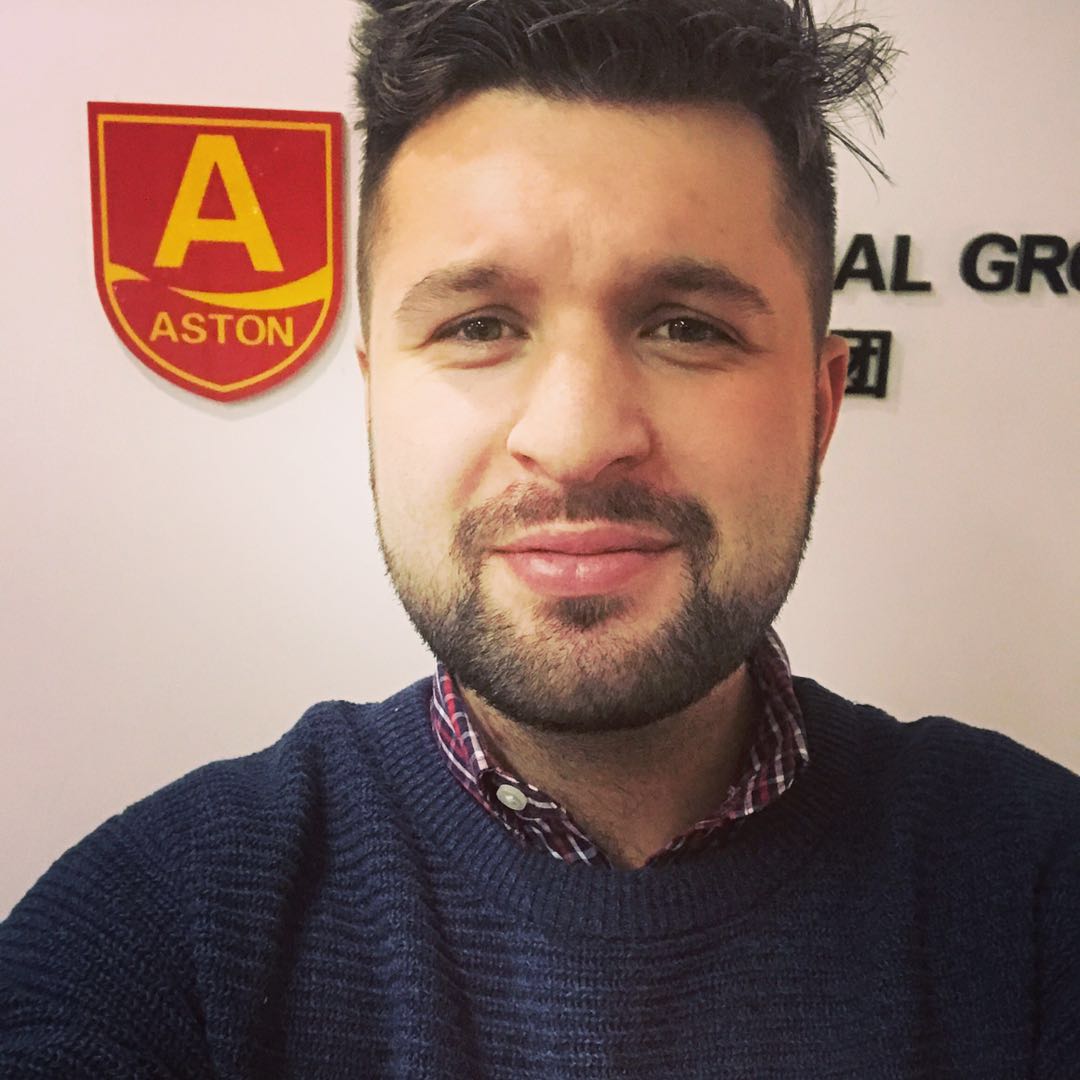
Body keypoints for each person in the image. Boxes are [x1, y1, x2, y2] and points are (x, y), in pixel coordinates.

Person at [2, 0, 1077, 1076]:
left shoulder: (1038, 888)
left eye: (686, 326)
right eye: (478, 326)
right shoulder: (164, 930)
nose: (576, 441)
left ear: (819, 406)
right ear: (375, 403)